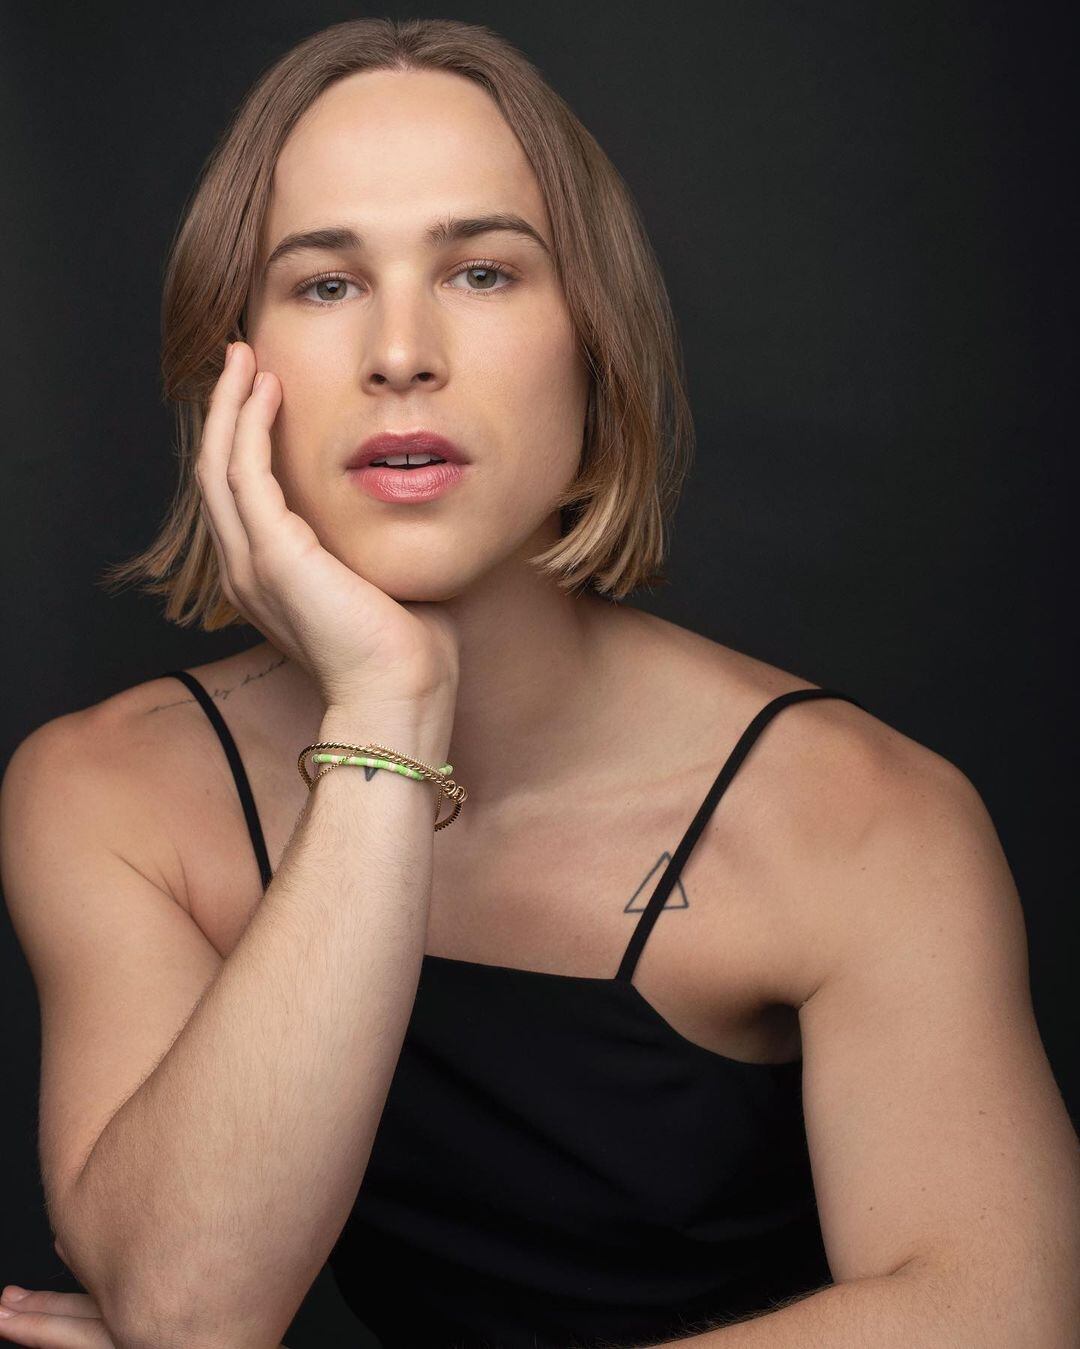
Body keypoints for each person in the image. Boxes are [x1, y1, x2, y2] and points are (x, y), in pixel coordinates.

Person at [1, 16, 1077, 1349]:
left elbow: (1003, 1316)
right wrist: (388, 711)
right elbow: (190, 1309)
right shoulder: (110, 792)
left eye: (484, 272)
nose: (402, 351)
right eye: (325, 284)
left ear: (593, 339)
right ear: (233, 366)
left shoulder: (863, 817)